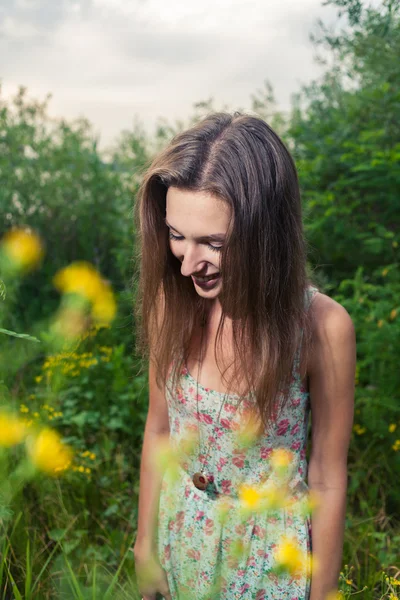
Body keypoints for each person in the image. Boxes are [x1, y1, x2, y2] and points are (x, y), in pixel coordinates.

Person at [132, 112, 356, 600]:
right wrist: (145, 548)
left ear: (266, 235)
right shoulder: (172, 302)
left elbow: (326, 475)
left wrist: (323, 594)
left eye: (213, 243)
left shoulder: (321, 328)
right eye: (176, 235)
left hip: (268, 569)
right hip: (181, 545)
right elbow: (160, 430)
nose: (188, 264)